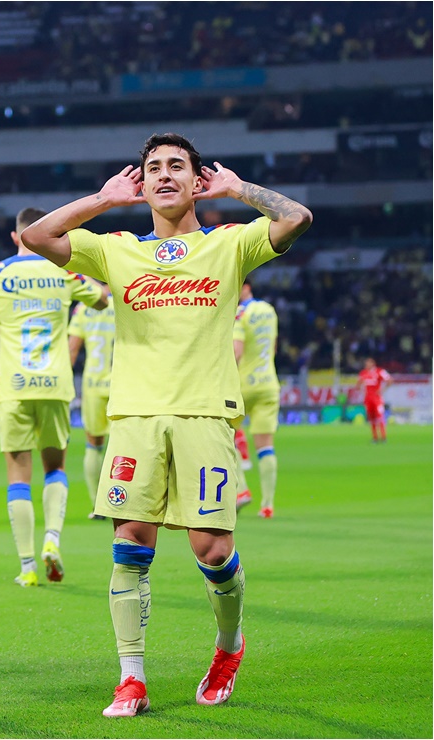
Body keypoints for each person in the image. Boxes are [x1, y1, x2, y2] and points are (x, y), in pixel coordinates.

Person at [21, 132, 312, 716]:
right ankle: (131, 679)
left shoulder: (229, 245)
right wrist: (103, 200)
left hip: (205, 414)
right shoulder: (117, 249)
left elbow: (296, 218)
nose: (164, 175)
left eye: (177, 166)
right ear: (142, 181)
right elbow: (37, 236)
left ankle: (228, 647)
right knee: (129, 545)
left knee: (212, 551)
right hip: (134, 418)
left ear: (197, 180)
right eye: (153, 167)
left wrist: (239, 189)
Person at [0, 207, 107, 587]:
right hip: (56, 384)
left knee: (18, 474)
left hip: (12, 387)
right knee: (55, 467)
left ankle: (28, 566)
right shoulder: (64, 272)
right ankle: (53, 539)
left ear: (16, 237)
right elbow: (101, 300)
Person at [67, 282, 116, 521]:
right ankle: (123, 502)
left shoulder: (85, 306)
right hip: (125, 383)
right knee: (126, 446)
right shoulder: (127, 296)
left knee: (93, 444)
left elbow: (73, 348)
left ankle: (98, 505)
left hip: (94, 384)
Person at [232, 280, 280, 518]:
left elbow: (236, 351)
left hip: (243, 385)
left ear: (244, 287)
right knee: (266, 447)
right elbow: (272, 349)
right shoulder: (269, 311)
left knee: (226, 437)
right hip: (268, 383)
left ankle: (241, 491)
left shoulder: (241, 313)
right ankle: (268, 505)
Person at [357, 357, 392, 443]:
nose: (366, 365)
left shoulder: (379, 371)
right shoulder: (363, 373)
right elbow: (358, 385)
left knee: (380, 417)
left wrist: (382, 390)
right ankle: (375, 437)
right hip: (368, 399)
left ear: (373, 364)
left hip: (377, 399)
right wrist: (363, 391)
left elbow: (390, 380)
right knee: (372, 418)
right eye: (366, 364)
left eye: (368, 363)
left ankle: (383, 437)